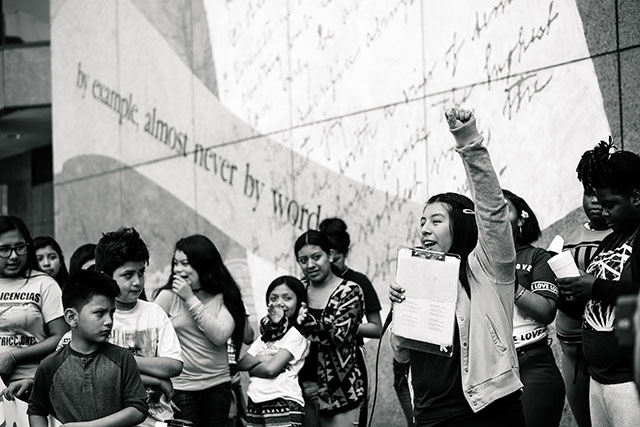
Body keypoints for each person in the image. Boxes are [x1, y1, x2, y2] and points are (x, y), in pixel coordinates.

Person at [389, 108, 524, 427]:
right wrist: (401, 313)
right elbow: (402, 356)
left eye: (436, 221)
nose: (424, 229)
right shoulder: (417, 277)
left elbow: (492, 211)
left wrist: (468, 141)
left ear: (461, 226)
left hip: (487, 409)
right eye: (422, 222)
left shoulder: (489, 268)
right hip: (430, 415)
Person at [557, 139, 640, 427]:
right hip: (598, 378)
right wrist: (572, 294)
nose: (604, 213)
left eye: (611, 205)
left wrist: (595, 288)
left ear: (636, 197)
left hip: (630, 380)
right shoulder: (610, 240)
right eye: (600, 204)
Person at [27, 269, 148, 426]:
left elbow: (138, 408)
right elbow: (36, 410)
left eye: (111, 313)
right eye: (99, 313)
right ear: (72, 317)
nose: (109, 321)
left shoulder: (122, 358)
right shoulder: (50, 365)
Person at [154, 234, 246, 427]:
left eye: (185, 263)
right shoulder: (168, 296)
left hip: (217, 386)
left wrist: (190, 299)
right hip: (181, 387)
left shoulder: (224, 294)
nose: (178, 269)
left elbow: (220, 336)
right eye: (176, 263)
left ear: (203, 264)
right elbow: (150, 334)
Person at [95, 227, 183, 426]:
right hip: (110, 419)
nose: (137, 282)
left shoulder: (154, 313)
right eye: (128, 275)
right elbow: (98, 371)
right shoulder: (95, 316)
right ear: (105, 276)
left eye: (141, 273)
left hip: (157, 418)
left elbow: (173, 365)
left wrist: (120, 360)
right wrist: (157, 380)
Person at [503, 189, 565, 427]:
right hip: (490, 370)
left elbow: (546, 311)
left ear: (520, 218)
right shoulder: (473, 261)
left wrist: (512, 286)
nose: (494, 216)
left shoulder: (536, 257)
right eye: (487, 212)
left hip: (532, 366)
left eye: (503, 209)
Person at [295, 230, 364, 427]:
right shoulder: (299, 289)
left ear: (331, 255)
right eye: (303, 260)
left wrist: (304, 323)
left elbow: (337, 335)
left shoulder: (350, 291)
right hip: (300, 386)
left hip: (339, 391)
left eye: (316, 257)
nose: (310, 265)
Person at [318, 217, 382, 427]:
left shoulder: (359, 282)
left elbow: (376, 328)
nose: (332, 262)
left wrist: (341, 328)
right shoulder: (311, 284)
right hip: (317, 361)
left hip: (350, 360)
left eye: (337, 258)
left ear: (345, 252)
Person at [556, 189, 611, 427]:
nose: (595, 200)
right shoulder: (564, 237)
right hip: (572, 344)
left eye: (602, 193)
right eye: (589, 193)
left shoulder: (624, 234)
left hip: (609, 336)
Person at [0, 216, 69, 401]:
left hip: (30, 388)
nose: (14, 256)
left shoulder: (44, 284)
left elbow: (62, 338)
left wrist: (14, 357)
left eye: (20, 247)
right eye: (4, 250)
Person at [238, 276, 310, 427]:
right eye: (274, 298)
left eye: (287, 298)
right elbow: (242, 364)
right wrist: (262, 357)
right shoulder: (266, 337)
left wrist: (254, 368)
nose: (279, 303)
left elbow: (271, 370)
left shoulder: (297, 334)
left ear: (299, 302)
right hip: (256, 401)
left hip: (283, 402)